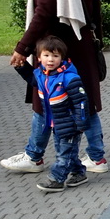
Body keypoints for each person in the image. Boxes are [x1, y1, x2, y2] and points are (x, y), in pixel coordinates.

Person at [1, 0, 108, 174]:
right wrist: (97, 47)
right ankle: (95, 157)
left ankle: (34, 156)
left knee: (44, 102)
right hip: (82, 50)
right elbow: (96, 15)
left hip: (54, 53)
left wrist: (22, 48)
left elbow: (42, 16)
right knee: (85, 103)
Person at [31, 36, 90, 193]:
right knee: (66, 151)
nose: (50, 60)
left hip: (70, 123)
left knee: (63, 154)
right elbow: (32, 80)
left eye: (55, 56)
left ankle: (56, 180)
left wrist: (81, 123)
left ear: (62, 58)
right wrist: (20, 67)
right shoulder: (43, 75)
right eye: (46, 55)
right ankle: (79, 173)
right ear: (39, 58)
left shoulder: (69, 78)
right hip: (56, 123)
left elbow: (81, 102)